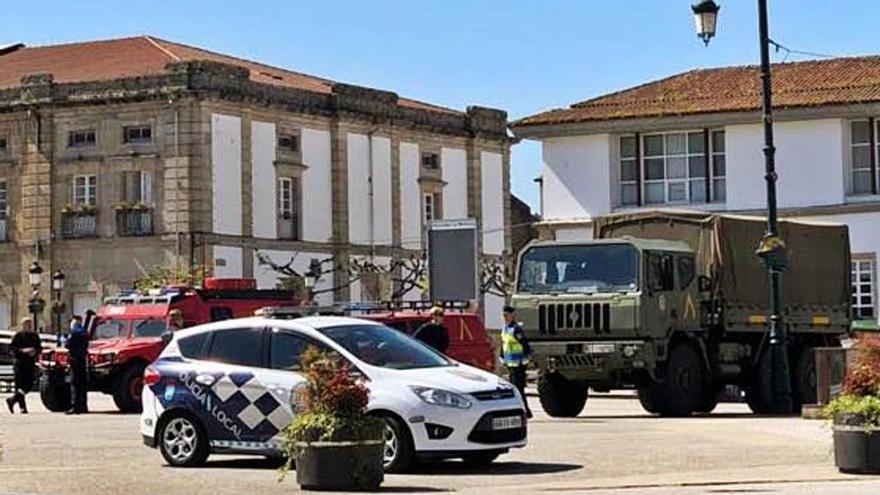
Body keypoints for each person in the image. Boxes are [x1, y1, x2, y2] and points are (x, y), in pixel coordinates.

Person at [500, 305, 533, 418]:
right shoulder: (505, 328)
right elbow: (503, 344)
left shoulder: (516, 329)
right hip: (510, 364)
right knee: (515, 389)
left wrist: (526, 360)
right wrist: (502, 357)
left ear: (512, 315)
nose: (505, 317)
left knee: (519, 389)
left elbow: (525, 345)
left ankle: (525, 411)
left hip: (519, 364)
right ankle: (521, 410)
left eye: (507, 315)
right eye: (503, 315)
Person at [6, 318, 42, 414]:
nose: (29, 326)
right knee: (19, 385)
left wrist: (35, 352)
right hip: (20, 363)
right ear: (22, 325)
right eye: (27, 324)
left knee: (29, 385)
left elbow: (39, 348)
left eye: (30, 324)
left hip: (30, 363)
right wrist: (23, 351)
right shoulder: (18, 336)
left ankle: (12, 400)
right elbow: (12, 349)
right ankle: (23, 407)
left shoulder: (35, 336)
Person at [65, 315, 89, 414]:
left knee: (75, 383)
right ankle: (83, 406)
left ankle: (75, 406)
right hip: (82, 360)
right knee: (82, 384)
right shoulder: (84, 333)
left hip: (74, 360)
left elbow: (67, 345)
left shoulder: (74, 333)